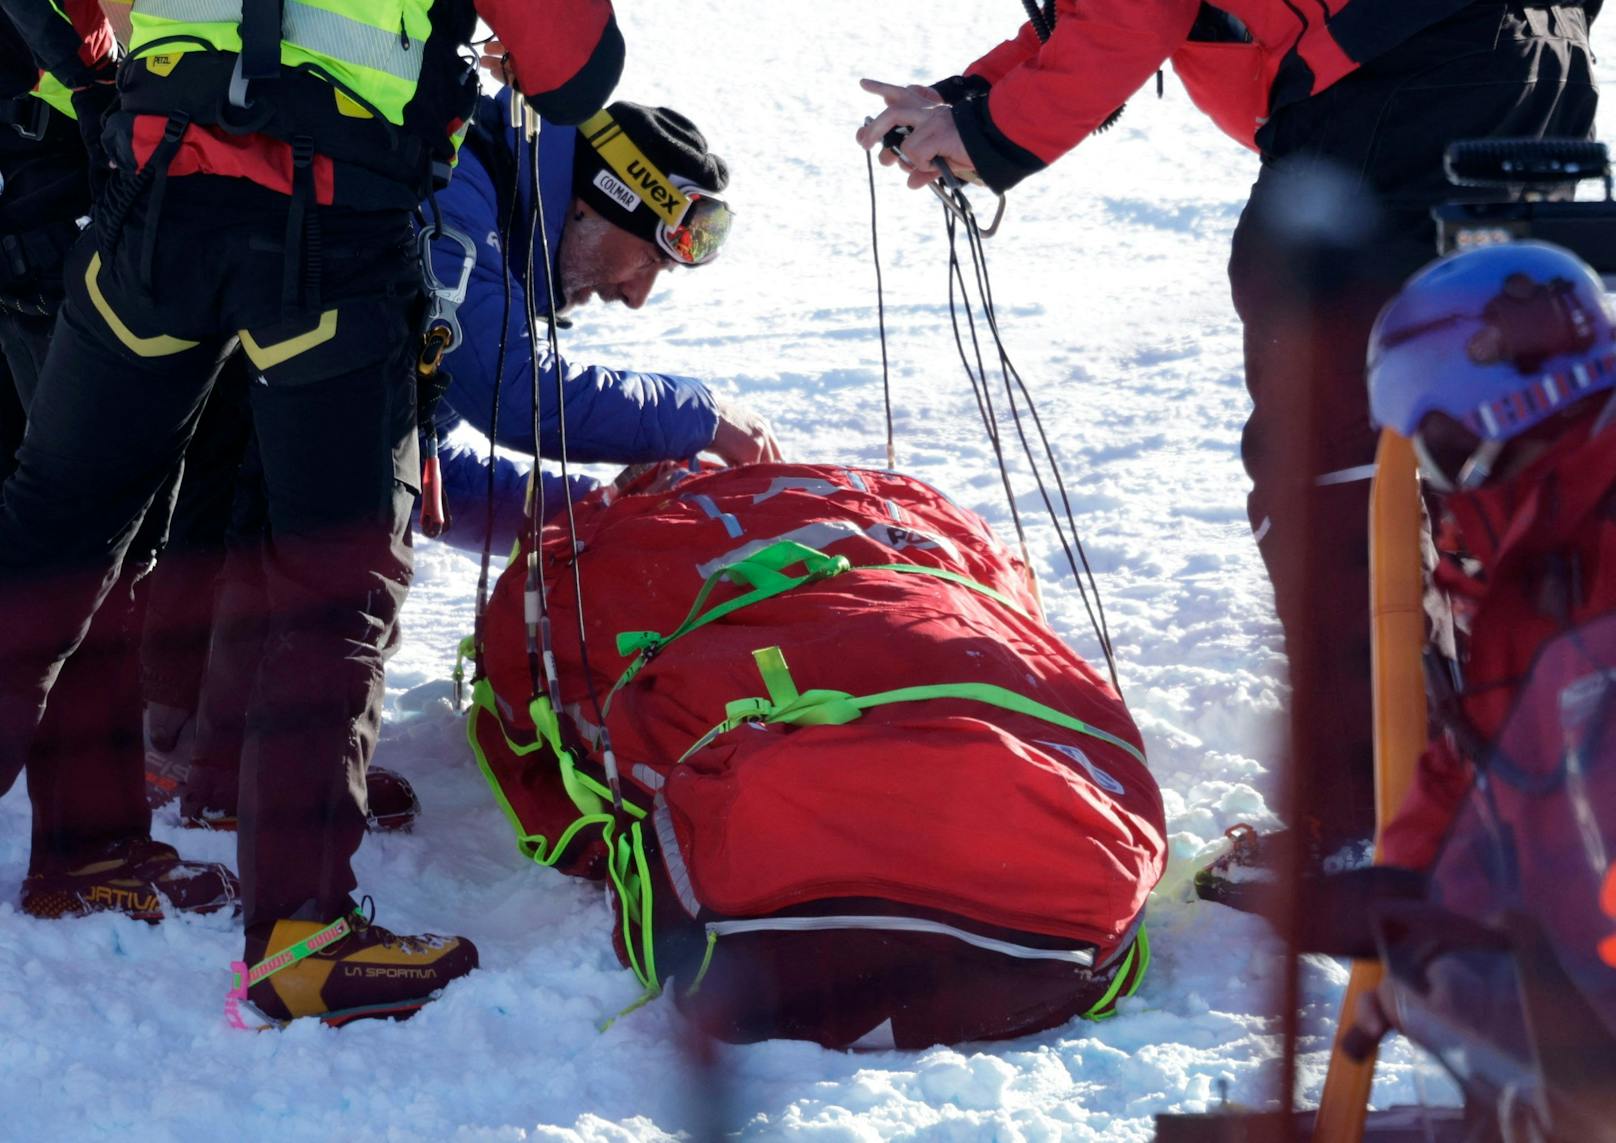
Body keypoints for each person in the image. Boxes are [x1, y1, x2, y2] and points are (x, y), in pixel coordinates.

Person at [0, 0, 624, 1025]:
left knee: (51, 537)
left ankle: (113, 855)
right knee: (330, 588)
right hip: (331, 245)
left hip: (150, 217)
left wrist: (125, 77)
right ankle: (303, 937)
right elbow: (577, 75)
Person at [856, 0, 1598, 860]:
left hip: (1392, 83)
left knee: (1329, 463)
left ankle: (1372, 821)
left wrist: (989, 136)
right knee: (1472, 440)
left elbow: (1132, 10)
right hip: (1531, 65)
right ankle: (1514, 789)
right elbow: (1096, 21)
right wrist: (966, 104)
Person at [165, 90, 780, 828]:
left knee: (362, 496)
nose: (637, 295)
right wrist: (701, 416)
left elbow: (430, 474)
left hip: (236, 425)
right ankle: (188, 740)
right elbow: (512, 391)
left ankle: (224, 744)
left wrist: (598, 515)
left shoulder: (500, 210)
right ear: (599, 200)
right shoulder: (460, 192)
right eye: (648, 257)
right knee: (335, 534)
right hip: (203, 435)